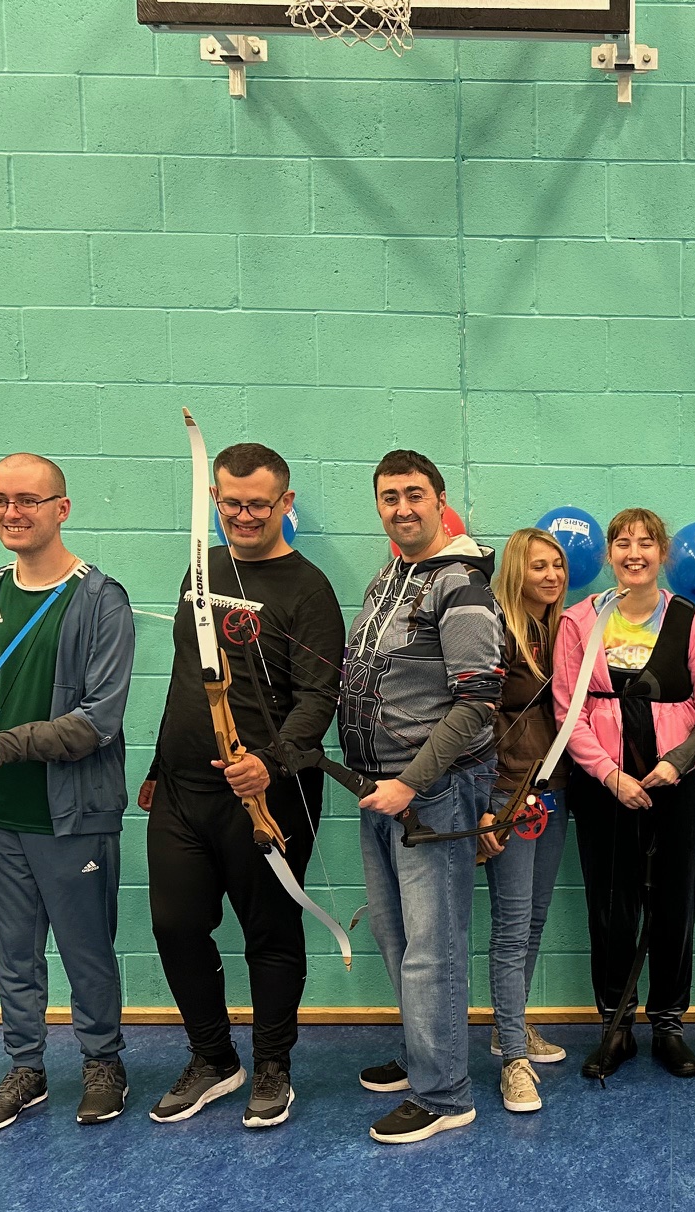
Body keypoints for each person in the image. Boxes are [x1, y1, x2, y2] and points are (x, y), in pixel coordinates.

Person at [139, 442, 345, 1130]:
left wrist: (273, 759)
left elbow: (321, 695)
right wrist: (156, 766)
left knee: (271, 931)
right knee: (175, 924)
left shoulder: (308, 589)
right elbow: (185, 679)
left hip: (266, 794)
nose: (244, 516)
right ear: (215, 501)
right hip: (181, 790)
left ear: (285, 503)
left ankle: (273, 1065)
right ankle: (212, 1058)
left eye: (259, 503)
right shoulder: (202, 569)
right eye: (231, 503)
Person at [0, 454, 135, 1133]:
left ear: (61, 508)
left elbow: (98, 721)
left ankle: (104, 1062)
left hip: (73, 815)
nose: (11, 513)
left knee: (87, 952)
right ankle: (25, 1067)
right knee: (14, 952)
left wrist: (0, 746)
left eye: (26, 499)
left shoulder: (101, 599)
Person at [345, 450, 504, 1146]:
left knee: (432, 948)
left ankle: (445, 1095)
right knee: (396, 935)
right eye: (388, 497)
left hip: (430, 792)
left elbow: (477, 705)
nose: (402, 507)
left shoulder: (461, 586)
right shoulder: (392, 576)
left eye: (414, 495)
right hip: (383, 791)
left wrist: (412, 781)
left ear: (441, 501)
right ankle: (423, 1056)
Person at [556, 508, 695, 1082]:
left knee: (676, 901)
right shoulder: (580, 622)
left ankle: (668, 1024)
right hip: (605, 786)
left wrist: (675, 764)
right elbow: (568, 710)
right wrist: (610, 775)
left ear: (663, 554)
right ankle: (616, 1024)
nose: (635, 552)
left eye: (647, 542)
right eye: (623, 543)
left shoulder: (690, 622)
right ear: (608, 554)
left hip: (679, 787)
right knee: (611, 905)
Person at [478, 527, 573, 1116]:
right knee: (511, 922)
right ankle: (513, 1055)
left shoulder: (558, 632)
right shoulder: (495, 630)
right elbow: (475, 717)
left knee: (534, 916)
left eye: (558, 565)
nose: (552, 575)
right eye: (539, 566)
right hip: (509, 791)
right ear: (517, 571)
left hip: (555, 787)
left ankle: (508, 1028)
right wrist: (485, 799)